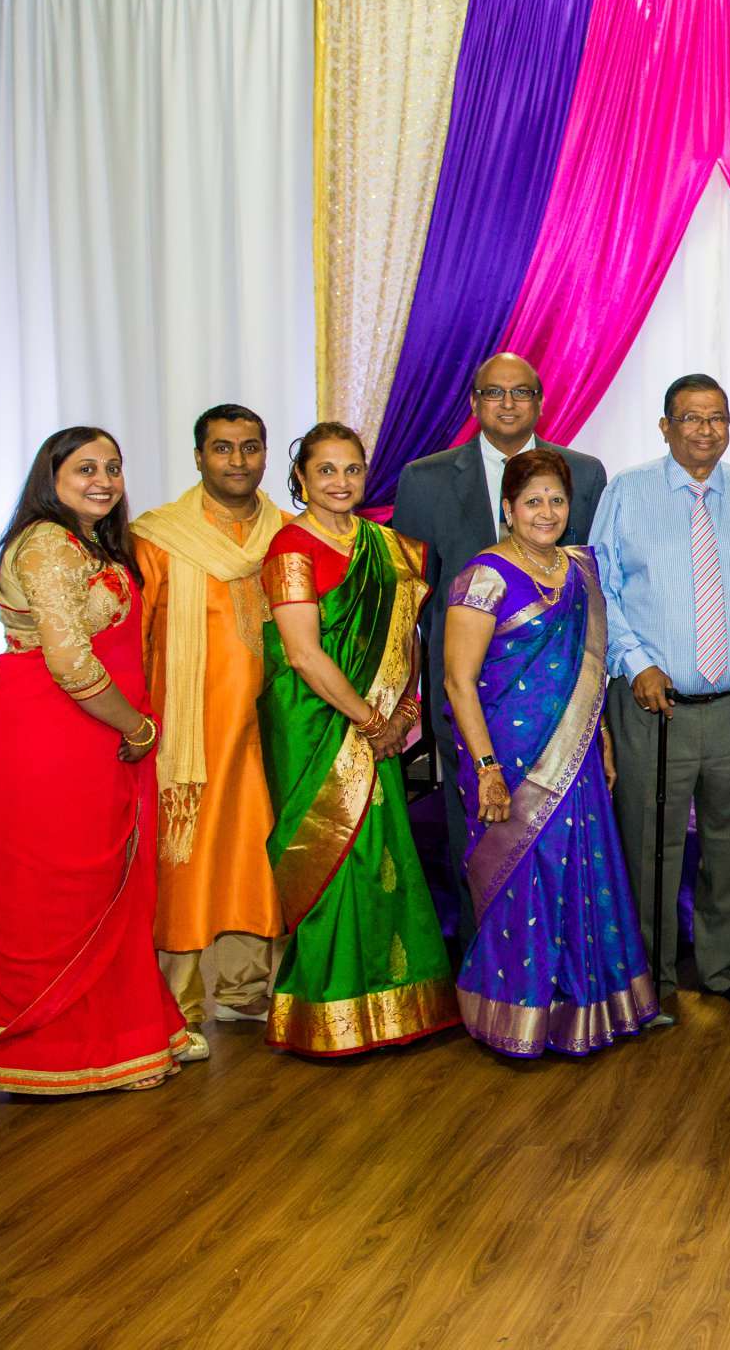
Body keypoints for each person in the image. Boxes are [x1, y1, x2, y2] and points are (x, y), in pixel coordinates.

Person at [0, 427, 188, 1094]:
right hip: (49, 736)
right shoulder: (44, 545)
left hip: (93, 735)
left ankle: (122, 1035)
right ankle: (57, 1052)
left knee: (106, 885)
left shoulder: (85, 543)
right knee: (58, 892)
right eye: (85, 468)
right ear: (51, 476)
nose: (103, 479)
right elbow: (68, 662)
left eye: (114, 467)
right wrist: (140, 727)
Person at [441, 449, 657, 1057]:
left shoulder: (581, 570)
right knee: (525, 879)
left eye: (556, 501)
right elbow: (459, 681)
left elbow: (587, 671)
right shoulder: (483, 577)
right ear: (508, 509)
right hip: (510, 757)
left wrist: (605, 734)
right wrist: (485, 768)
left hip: (578, 748)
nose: (546, 512)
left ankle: (580, 1009)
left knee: (582, 870)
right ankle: (518, 1014)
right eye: (532, 501)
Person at [393, 352, 607, 958]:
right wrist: (408, 696)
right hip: (470, 700)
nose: (508, 404)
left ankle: (563, 970)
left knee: (566, 846)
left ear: (541, 401)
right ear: (473, 404)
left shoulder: (584, 473)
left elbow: (587, 590)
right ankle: (484, 975)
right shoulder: (424, 478)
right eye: (493, 393)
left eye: (521, 393)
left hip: (563, 704)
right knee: (479, 840)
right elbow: (413, 601)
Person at [258, 422, 458, 1055]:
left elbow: (408, 641)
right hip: (317, 725)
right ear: (300, 478)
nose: (340, 483)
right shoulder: (290, 549)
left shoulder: (393, 548)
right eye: (326, 471)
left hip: (381, 725)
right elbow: (303, 655)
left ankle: (395, 1005)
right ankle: (328, 1009)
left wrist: (403, 714)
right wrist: (370, 722)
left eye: (351, 470)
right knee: (333, 860)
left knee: (385, 857)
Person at [594, 374, 730, 1011]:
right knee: (650, 846)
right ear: (665, 426)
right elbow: (601, 589)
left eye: (717, 418)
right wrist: (637, 663)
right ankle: (651, 979)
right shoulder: (627, 492)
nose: (705, 430)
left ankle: (724, 968)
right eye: (691, 418)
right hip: (654, 708)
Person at [133, 404, 289, 1043]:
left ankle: (246, 989)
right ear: (198, 457)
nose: (238, 462)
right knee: (190, 859)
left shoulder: (285, 533)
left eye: (250, 448)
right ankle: (180, 1000)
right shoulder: (160, 536)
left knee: (257, 852)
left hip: (271, 725)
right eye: (223, 449)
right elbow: (135, 637)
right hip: (189, 733)